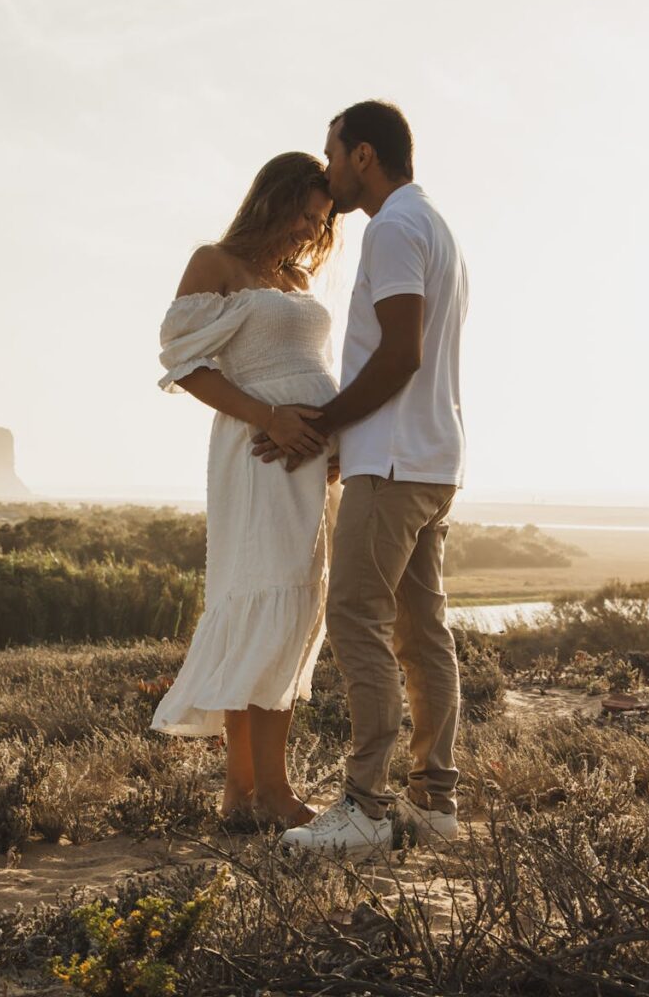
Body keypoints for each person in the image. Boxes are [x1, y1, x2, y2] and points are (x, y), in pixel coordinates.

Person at [253, 101, 469, 861]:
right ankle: (434, 800)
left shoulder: (393, 229)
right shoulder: (433, 223)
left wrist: (326, 421)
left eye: (333, 152)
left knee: (354, 620)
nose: (329, 166)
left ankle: (366, 806)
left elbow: (400, 351)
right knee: (420, 631)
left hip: (394, 464)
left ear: (365, 158)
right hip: (430, 461)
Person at [150, 152, 341, 829]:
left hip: (310, 466)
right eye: (301, 215)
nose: (307, 231)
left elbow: (314, 366)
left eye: (319, 222)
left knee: (289, 615)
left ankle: (242, 792)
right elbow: (184, 364)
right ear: (271, 200)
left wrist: (334, 441)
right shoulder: (217, 263)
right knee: (263, 604)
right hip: (259, 454)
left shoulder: (295, 276)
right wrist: (269, 416)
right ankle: (271, 793)